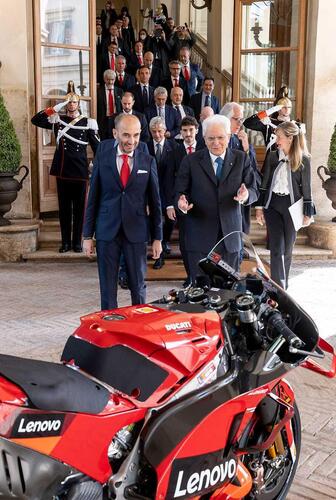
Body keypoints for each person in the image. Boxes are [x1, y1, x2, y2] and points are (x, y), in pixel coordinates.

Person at [83, 114, 162, 310]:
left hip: (136, 231)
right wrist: (87, 235)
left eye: (136, 135)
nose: (131, 141)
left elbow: (156, 202)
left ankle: (139, 330)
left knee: (138, 287)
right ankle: (110, 331)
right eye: (126, 135)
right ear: (115, 133)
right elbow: (92, 199)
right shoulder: (103, 159)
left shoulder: (148, 161)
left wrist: (157, 238)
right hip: (106, 231)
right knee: (108, 289)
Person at [175, 115, 259, 283]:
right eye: (211, 138)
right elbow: (179, 192)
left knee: (228, 293)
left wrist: (246, 194)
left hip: (230, 239)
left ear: (229, 137)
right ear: (204, 139)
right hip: (199, 238)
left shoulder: (241, 159)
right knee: (200, 296)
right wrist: (181, 203)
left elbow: (254, 189)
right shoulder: (191, 161)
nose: (216, 142)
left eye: (220, 137)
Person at [31, 82, 100, 253]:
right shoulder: (58, 120)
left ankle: (77, 242)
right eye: (68, 102)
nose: (71, 104)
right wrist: (56, 107)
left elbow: (98, 147)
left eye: (73, 102)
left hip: (80, 171)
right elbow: (36, 120)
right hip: (62, 170)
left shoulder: (87, 122)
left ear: (78, 104)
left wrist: (94, 165)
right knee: (63, 210)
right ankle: (65, 243)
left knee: (79, 210)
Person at [255, 121, 315, 290]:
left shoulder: (303, 160)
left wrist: (307, 212)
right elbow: (264, 184)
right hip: (272, 204)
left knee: (287, 249)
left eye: (279, 137)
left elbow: (307, 188)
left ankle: (284, 286)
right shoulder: (273, 156)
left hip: (292, 207)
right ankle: (277, 287)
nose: (276, 140)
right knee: (276, 247)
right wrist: (259, 208)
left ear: (290, 138)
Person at [167, 116, 204, 286]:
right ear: (180, 133)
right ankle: (190, 277)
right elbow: (168, 180)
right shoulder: (174, 152)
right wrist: (170, 204)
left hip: (203, 203)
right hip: (182, 204)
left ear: (197, 130)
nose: (188, 134)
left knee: (203, 241)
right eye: (184, 131)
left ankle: (202, 277)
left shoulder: (205, 148)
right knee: (185, 242)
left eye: (191, 130)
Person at [220, 102, 260, 233]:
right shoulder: (212, 141)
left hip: (239, 203)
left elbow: (253, 174)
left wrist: (247, 149)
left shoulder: (241, 141)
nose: (240, 124)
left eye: (241, 120)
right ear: (225, 119)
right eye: (236, 119)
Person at [147, 116, 178, 269]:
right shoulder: (144, 146)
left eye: (160, 131)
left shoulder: (174, 147)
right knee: (155, 222)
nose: (157, 135)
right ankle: (158, 256)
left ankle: (165, 241)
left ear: (165, 131)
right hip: (150, 192)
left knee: (170, 221)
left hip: (168, 192)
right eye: (154, 132)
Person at [243, 86, 300, 154]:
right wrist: (268, 111)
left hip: (290, 160)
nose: (287, 110)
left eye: (289, 107)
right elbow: (247, 123)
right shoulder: (268, 123)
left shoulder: (295, 125)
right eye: (284, 107)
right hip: (271, 161)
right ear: (277, 108)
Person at [97, 69, 123, 140]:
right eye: (108, 79)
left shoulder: (120, 91)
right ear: (104, 79)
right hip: (103, 121)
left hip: (116, 119)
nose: (110, 82)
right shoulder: (98, 92)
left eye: (112, 79)